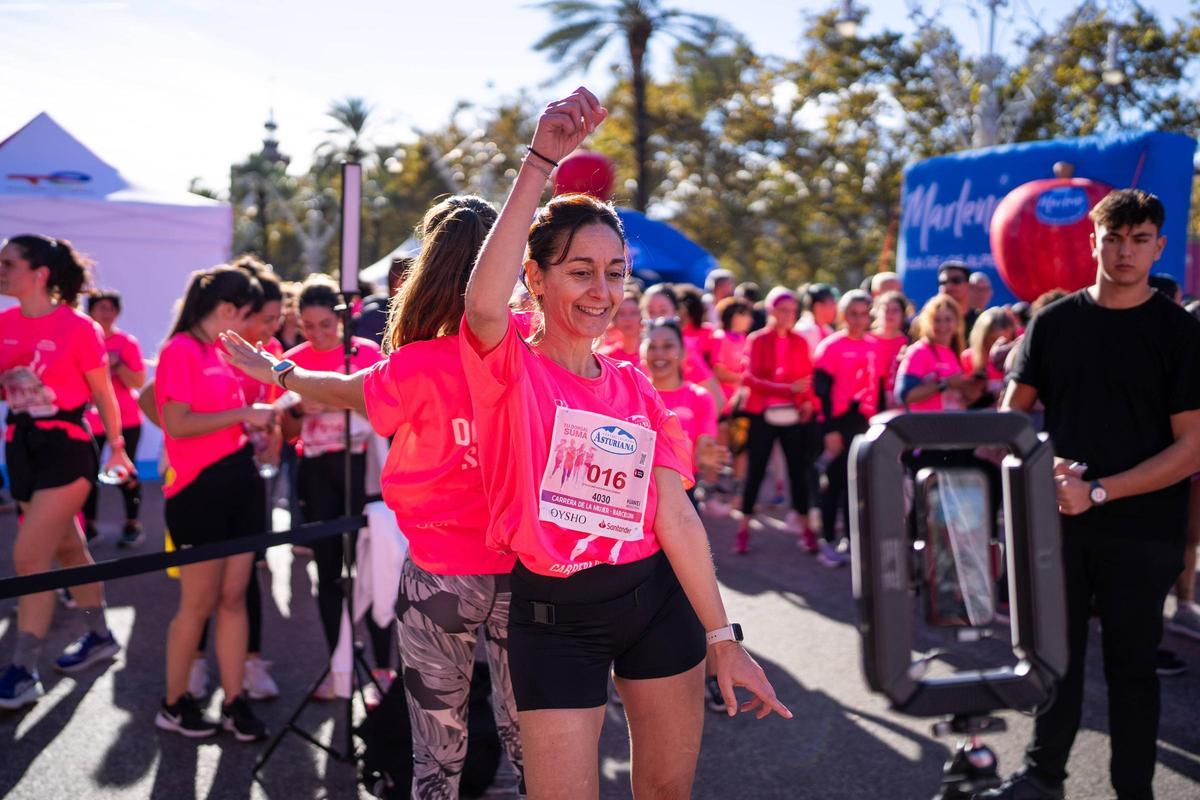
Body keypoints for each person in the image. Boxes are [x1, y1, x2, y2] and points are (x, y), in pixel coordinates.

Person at [459, 87, 789, 800]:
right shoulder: (508, 362)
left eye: (615, 273)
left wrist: (722, 638)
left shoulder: (637, 386)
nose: (600, 291)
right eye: (580, 270)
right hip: (554, 618)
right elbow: (482, 304)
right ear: (536, 279)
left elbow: (674, 514)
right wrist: (543, 160)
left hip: (653, 603)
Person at [220, 194, 526, 798]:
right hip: (525, 571)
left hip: (441, 575)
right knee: (535, 747)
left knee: (437, 757)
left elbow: (334, 388)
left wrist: (276, 372)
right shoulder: (537, 350)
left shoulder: (414, 365)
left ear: (430, 267)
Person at [984, 189, 1200, 800]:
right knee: (1056, 658)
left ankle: (1134, 791)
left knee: (1133, 668)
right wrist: (1044, 466)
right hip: (1059, 523)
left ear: (1160, 247)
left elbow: (1192, 448)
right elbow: (1011, 418)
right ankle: (1041, 777)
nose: (1126, 251)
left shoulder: (1179, 333)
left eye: (1139, 240)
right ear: (1094, 242)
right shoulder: (1053, 323)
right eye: (1115, 238)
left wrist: (1100, 491)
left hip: (1144, 530)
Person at [0, 235, 134, 710]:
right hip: (21, 447)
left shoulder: (78, 327)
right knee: (67, 548)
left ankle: (22, 669)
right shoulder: (5, 323)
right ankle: (99, 635)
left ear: (39, 274)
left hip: (68, 449)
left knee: (29, 557)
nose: (1, 270)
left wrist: (117, 448)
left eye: (8, 263)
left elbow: (104, 394)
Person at [153, 265, 272, 741]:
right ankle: (174, 702)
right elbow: (177, 423)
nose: (249, 323)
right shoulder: (179, 350)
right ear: (227, 310)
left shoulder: (222, 350)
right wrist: (245, 413)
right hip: (196, 491)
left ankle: (234, 700)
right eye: (246, 314)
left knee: (233, 597)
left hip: (240, 482)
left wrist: (252, 427)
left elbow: (222, 417)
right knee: (198, 604)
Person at [281, 274, 392, 699]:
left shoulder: (365, 354)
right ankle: (338, 667)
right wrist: (295, 411)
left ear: (344, 318)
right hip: (317, 471)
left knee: (375, 566)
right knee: (328, 574)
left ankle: (383, 670)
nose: (317, 334)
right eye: (308, 326)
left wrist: (331, 400)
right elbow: (287, 427)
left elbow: (384, 411)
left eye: (325, 324)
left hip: (365, 470)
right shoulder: (292, 359)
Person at [734, 287, 818, 553]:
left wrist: (806, 402)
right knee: (756, 472)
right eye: (783, 309)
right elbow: (749, 378)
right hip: (762, 414)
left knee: (798, 473)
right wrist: (786, 390)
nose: (789, 315)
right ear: (771, 311)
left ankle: (807, 530)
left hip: (792, 414)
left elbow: (806, 379)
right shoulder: (758, 340)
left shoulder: (800, 342)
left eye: (793, 310)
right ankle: (744, 528)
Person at [812, 290, 878, 568]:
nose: (859, 320)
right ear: (843, 315)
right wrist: (829, 430)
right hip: (837, 425)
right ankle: (827, 542)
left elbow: (880, 388)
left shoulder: (873, 345)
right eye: (853, 314)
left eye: (864, 314)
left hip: (864, 423)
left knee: (858, 485)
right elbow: (820, 393)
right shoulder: (830, 347)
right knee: (834, 484)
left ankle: (851, 541)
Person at [82, 289, 146, 547]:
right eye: (101, 308)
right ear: (91, 311)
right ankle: (90, 527)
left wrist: (117, 365)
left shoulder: (126, 342)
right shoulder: (84, 339)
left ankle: (132, 524)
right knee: (87, 476)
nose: (106, 313)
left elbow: (139, 381)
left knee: (126, 474)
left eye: (110, 308)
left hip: (126, 420)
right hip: (91, 421)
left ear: (117, 312)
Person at [896, 295, 982, 412]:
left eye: (948, 319)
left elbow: (959, 398)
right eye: (937, 320)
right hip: (925, 426)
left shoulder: (954, 353)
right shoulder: (919, 351)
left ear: (957, 323)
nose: (942, 326)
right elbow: (904, 395)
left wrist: (973, 388)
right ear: (927, 323)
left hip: (951, 425)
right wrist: (944, 384)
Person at [871, 290, 909, 411]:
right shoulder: (867, 340)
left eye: (895, 310)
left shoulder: (908, 344)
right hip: (870, 403)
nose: (890, 314)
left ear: (903, 314)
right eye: (885, 309)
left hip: (899, 404)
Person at [597, 289, 643, 369]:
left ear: (642, 316)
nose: (627, 319)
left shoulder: (652, 352)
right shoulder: (606, 357)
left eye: (633, 313)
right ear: (614, 318)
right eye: (622, 313)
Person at [795, 283, 836, 355]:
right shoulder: (803, 330)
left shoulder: (828, 330)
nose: (835, 308)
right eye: (832, 304)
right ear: (818, 307)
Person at [937, 260, 976, 335]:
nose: (948, 286)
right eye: (943, 282)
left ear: (968, 285)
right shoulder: (928, 322)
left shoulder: (981, 321)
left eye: (956, 281)